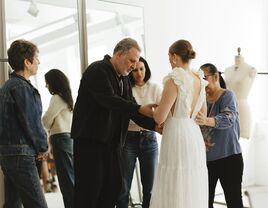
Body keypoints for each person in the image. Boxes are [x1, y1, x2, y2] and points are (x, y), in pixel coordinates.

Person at [71, 38, 159, 208]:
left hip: (112, 144)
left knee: (113, 188)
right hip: (91, 142)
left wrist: (155, 126)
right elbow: (110, 101)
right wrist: (140, 108)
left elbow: (129, 108)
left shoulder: (124, 79)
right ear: (119, 54)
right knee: (89, 192)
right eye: (132, 60)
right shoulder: (97, 70)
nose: (134, 66)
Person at [149, 39, 208, 208]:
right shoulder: (199, 79)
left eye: (169, 59)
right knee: (191, 180)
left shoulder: (174, 79)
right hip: (193, 134)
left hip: (176, 134)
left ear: (174, 57)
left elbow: (159, 117)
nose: (170, 63)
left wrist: (156, 108)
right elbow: (202, 113)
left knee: (174, 178)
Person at [0, 39, 48, 208]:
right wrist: (43, 147)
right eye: (36, 58)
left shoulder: (7, 87)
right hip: (21, 154)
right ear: (27, 62)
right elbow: (32, 123)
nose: (39, 62)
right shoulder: (21, 87)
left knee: (13, 203)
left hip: (8, 153)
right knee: (37, 204)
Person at [196, 63, 244, 208]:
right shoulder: (201, 100)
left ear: (215, 77)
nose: (202, 83)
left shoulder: (228, 95)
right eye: (199, 80)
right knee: (205, 201)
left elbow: (228, 118)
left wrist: (206, 120)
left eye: (204, 78)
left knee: (234, 201)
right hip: (206, 161)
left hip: (229, 158)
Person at [116, 57, 162, 208]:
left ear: (146, 69)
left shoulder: (155, 88)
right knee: (123, 185)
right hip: (129, 137)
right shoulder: (126, 89)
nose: (139, 73)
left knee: (150, 187)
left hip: (149, 138)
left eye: (142, 69)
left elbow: (161, 113)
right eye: (135, 70)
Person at [42, 69, 74, 208]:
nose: (46, 86)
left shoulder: (56, 98)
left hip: (60, 139)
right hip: (68, 139)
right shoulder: (67, 98)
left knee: (67, 182)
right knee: (71, 179)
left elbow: (46, 121)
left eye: (47, 83)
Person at [224, 53, 256, 138]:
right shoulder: (227, 70)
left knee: (240, 138)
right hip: (227, 107)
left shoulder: (250, 69)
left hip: (241, 108)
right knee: (228, 138)